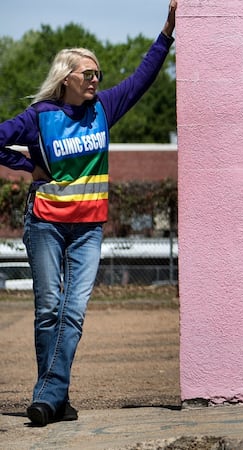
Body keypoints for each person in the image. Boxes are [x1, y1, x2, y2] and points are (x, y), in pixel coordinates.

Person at [0, 0, 177, 426]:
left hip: (88, 229)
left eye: (98, 73)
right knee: (48, 309)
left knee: (72, 311)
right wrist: (29, 167)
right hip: (45, 224)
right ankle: (54, 398)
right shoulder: (39, 117)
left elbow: (142, 78)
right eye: (89, 73)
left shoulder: (104, 109)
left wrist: (167, 33)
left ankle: (49, 396)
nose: (97, 79)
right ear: (66, 79)